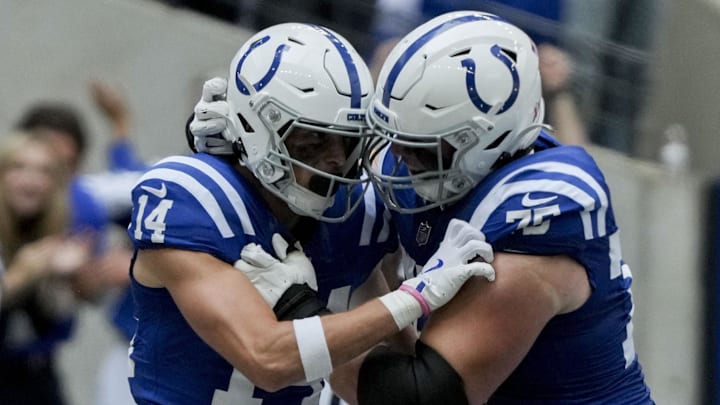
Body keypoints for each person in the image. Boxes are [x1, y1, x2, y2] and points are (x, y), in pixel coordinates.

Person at [128, 22, 495, 405]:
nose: (336, 159)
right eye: (314, 138)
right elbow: (266, 359)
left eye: (348, 140)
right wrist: (414, 297)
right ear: (255, 126)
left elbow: (397, 384)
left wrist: (306, 308)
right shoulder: (194, 198)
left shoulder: (356, 216)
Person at [348, 11, 653, 404]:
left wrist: (303, 314)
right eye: (397, 138)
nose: (401, 158)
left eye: (421, 146)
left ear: (487, 137)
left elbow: (419, 396)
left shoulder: (537, 223)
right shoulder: (429, 160)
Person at [0, 131, 94, 405]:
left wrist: (68, 278)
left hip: (36, 380)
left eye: (44, 171)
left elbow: (58, 327)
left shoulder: (58, 234)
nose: (31, 179)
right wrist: (21, 276)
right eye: (19, 167)